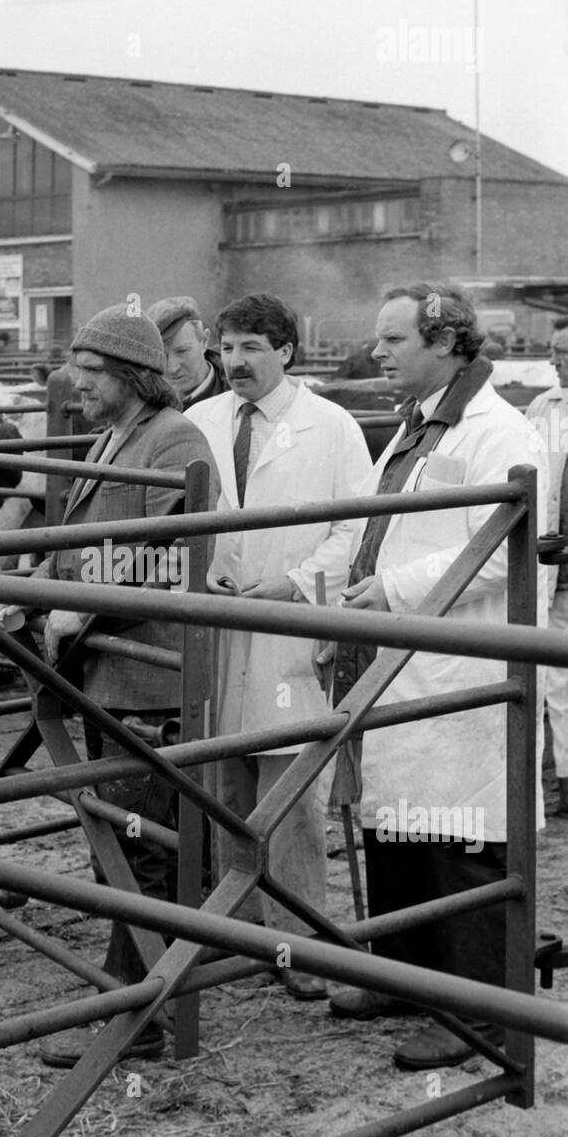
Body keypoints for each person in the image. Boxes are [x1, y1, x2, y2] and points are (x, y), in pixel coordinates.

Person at [327, 281, 549, 1069]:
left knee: (458, 831)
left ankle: (478, 1011)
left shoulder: (500, 432)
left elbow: (499, 545)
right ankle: (403, 975)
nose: (377, 353)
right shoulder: (418, 425)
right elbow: (378, 522)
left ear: (447, 343)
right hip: (402, 653)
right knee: (397, 823)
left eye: (393, 341)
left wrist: (391, 589)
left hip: (461, 661)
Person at [0, 304, 217, 1067]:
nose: (73, 386)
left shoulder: (176, 439)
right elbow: (84, 538)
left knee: (141, 848)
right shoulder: (112, 435)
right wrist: (33, 579)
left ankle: (139, 1019)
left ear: (129, 376)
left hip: (148, 674)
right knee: (122, 841)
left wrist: (78, 600)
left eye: (88, 374)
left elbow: (166, 551)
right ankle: (140, 995)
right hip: (106, 669)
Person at [186, 292, 371, 1000]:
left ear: (286, 351)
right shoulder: (201, 421)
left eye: (251, 348)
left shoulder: (331, 426)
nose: (234, 362)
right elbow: (186, 517)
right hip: (218, 620)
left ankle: (303, 941)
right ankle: (242, 933)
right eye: (226, 349)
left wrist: (294, 585)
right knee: (222, 782)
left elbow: (353, 528)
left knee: (290, 791)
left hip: (291, 622)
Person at [525, 321, 568, 813]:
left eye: (564, 352)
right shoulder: (547, 407)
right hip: (557, 564)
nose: (556, 361)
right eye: (552, 351)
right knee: (556, 681)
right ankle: (564, 784)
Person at [146, 295, 228, 407]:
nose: (172, 368)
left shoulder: (242, 394)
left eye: (182, 351)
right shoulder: (137, 402)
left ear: (204, 340)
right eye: (161, 355)